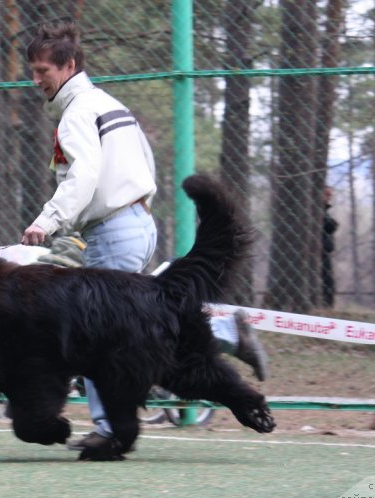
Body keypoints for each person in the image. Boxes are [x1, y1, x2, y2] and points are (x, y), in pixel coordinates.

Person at [21, 20, 268, 453]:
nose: (35, 79)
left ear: (69, 65)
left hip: (115, 230)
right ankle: (225, 333)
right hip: (134, 223)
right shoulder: (105, 103)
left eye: (43, 70)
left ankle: (110, 429)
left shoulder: (77, 114)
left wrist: (47, 220)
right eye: (34, 70)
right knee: (143, 322)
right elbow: (138, 162)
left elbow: (84, 173)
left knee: (98, 335)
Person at [322, 186, 339, 307]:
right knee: (327, 284)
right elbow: (328, 225)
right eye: (327, 194)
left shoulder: (324, 212)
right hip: (319, 253)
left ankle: (328, 306)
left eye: (330, 195)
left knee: (328, 284)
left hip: (325, 252)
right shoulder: (318, 212)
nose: (329, 197)